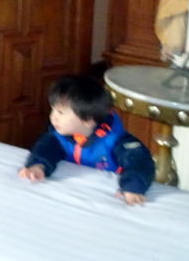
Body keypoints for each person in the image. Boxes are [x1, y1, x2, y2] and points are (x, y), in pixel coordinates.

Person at [18, 74, 155, 205]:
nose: (53, 117)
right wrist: (38, 165)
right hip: (71, 193)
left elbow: (140, 161)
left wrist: (132, 186)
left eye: (61, 112)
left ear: (88, 119)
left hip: (104, 196)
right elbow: (45, 149)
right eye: (53, 110)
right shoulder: (59, 134)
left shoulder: (117, 141)